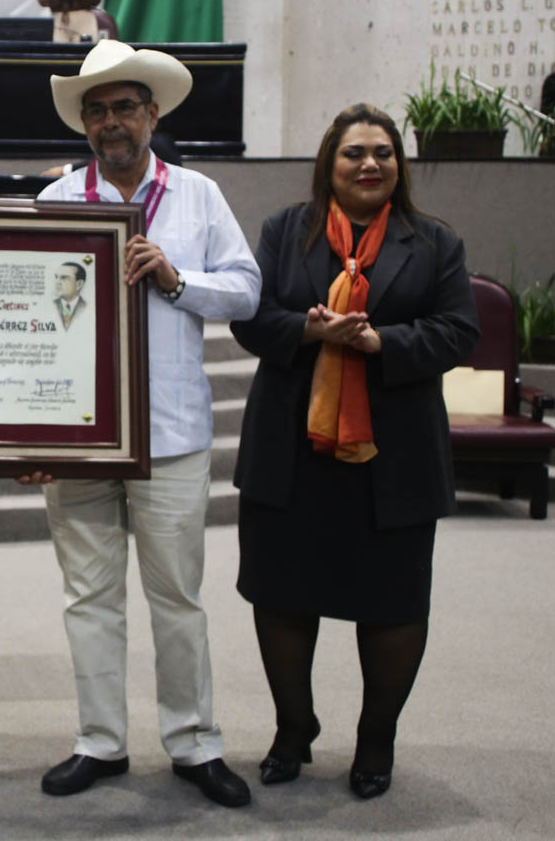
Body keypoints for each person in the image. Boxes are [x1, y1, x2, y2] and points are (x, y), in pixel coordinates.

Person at [26, 40, 262, 807]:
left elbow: (247, 292)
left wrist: (177, 277)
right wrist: (29, 433)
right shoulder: (57, 202)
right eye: (96, 110)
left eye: (124, 105)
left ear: (153, 113)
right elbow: (29, 327)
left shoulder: (199, 195)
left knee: (177, 598)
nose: (110, 121)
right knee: (88, 596)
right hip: (79, 438)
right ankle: (100, 740)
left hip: (171, 433)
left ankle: (194, 742)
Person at [231, 104, 479, 800]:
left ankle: (376, 739)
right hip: (291, 449)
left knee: (392, 603)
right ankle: (293, 726)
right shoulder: (286, 231)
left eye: (383, 152)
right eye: (353, 153)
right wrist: (308, 332)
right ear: (327, 165)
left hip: (391, 458)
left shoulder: (434, 242)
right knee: (282, 595)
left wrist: (381, 343)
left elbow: (460, 331)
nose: (369, 164)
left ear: (399, 165)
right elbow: (249, 317)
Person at [53, 262, 88, 328]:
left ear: (79, 284)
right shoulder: (51, 305)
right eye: (56, 277)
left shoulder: (87, 308)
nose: (57, 282)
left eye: (64, 278)